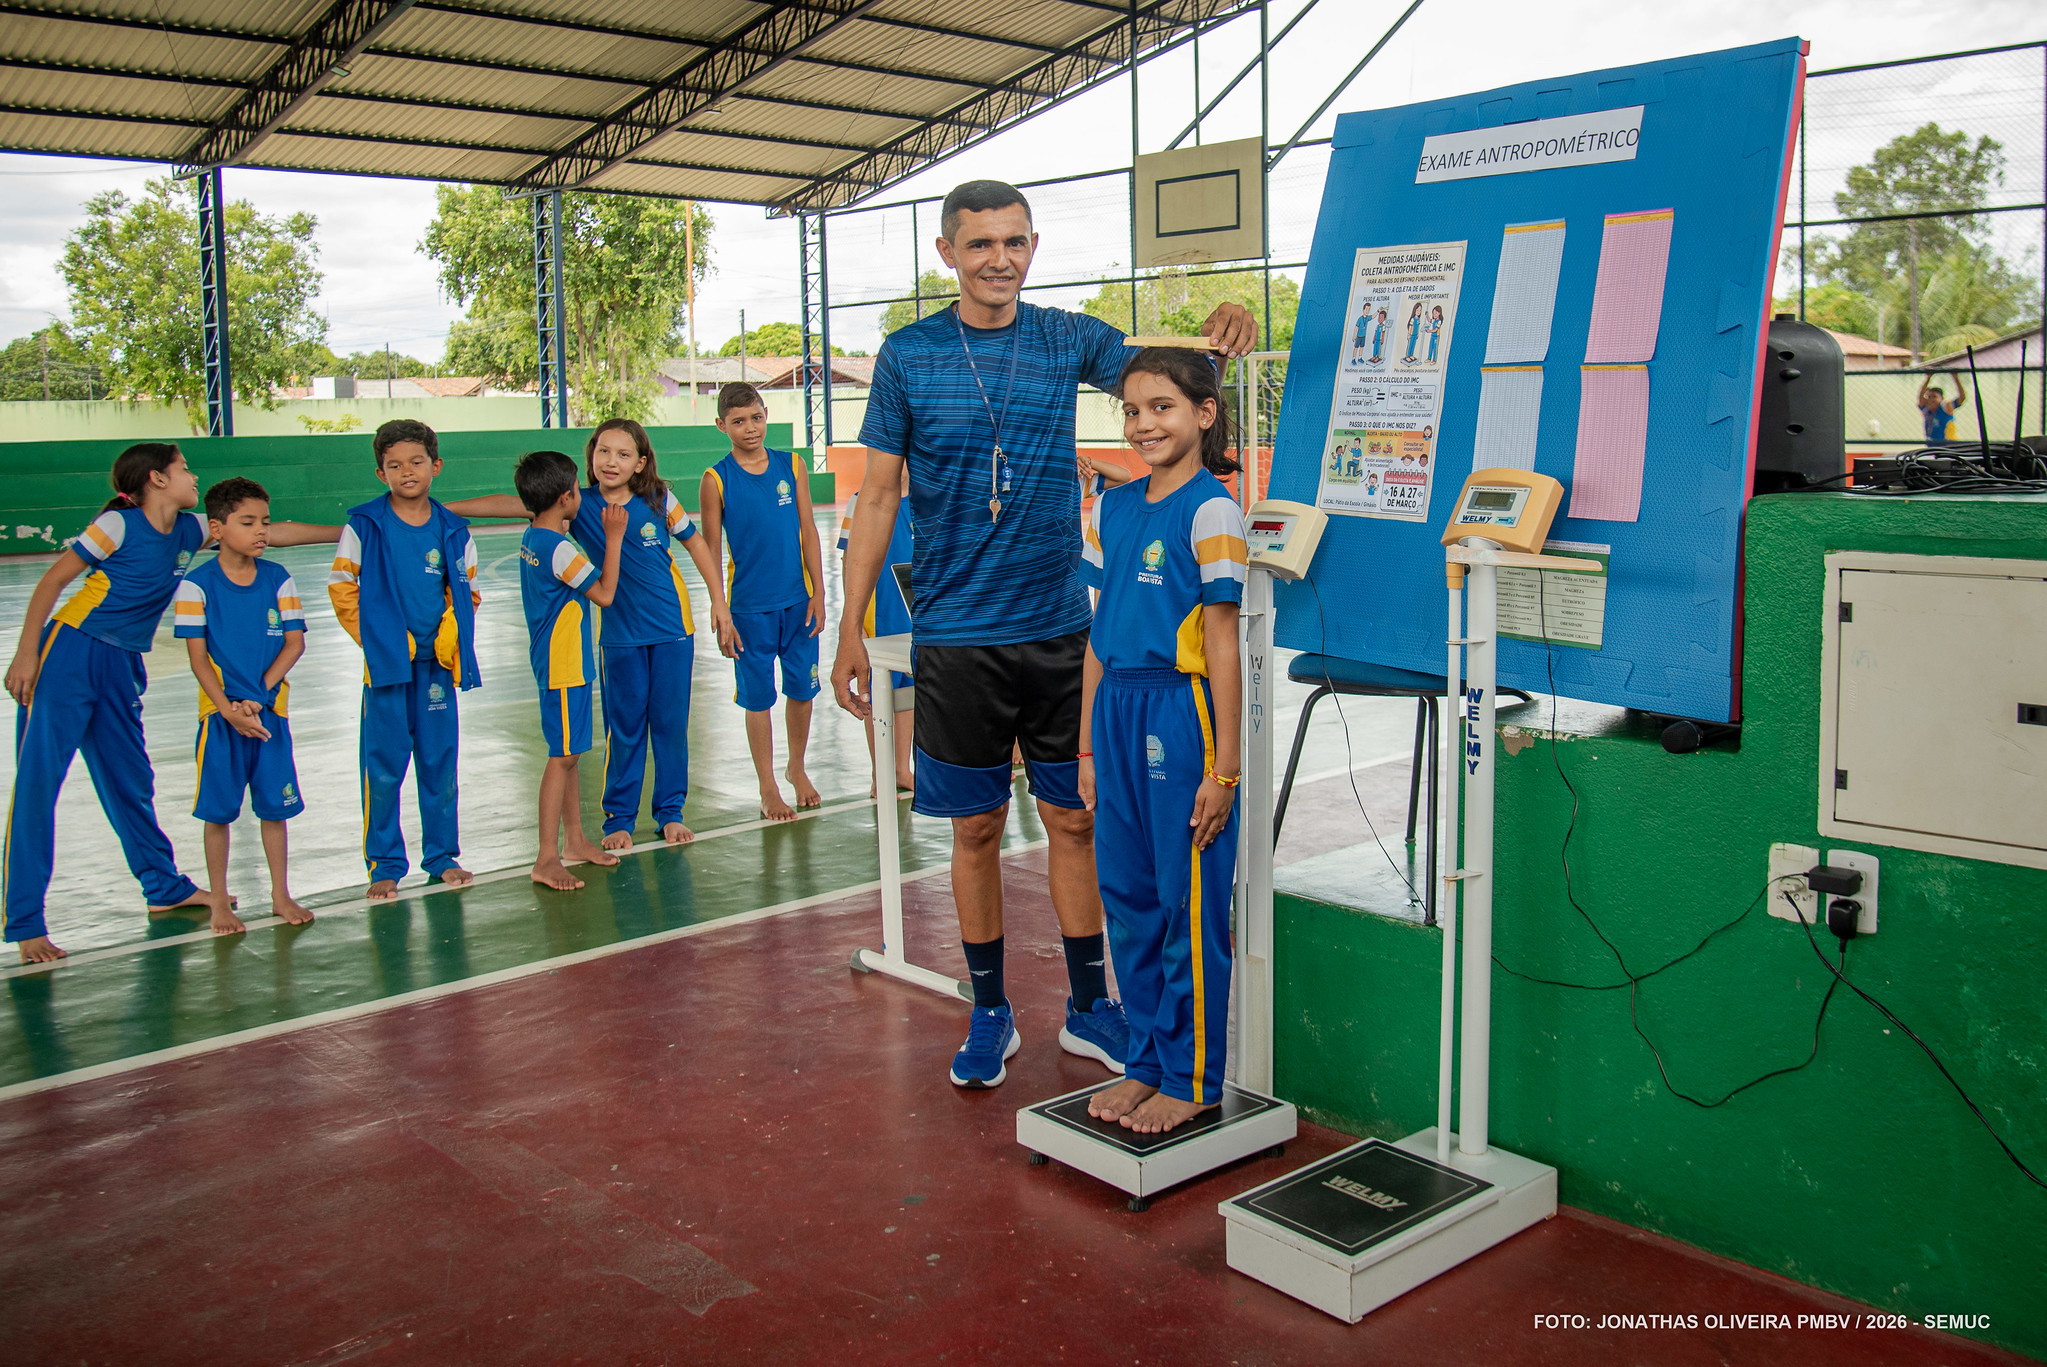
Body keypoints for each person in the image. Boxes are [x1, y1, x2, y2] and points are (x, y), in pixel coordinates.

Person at [831, 177, 1255, 1089]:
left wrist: (1217, 323)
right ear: (946, 252)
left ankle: (1089, 1004)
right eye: (979, 243)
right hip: (955, 634)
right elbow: (875, 496)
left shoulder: (1066, 337)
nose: (999, 259)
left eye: (1014, 241)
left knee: (1074, 818)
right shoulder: (908, 355)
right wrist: (849, 626)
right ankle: (988, 1011)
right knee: (975, 830)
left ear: (1032, 245)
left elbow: (1161, 374)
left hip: (1061, 629)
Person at [3, 444, 335, 962]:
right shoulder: (119, 525)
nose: (193, 476)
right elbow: (53, 581)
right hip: (68, 653)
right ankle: (25, 922)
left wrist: (351, 532)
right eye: (184, 469)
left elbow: (275, 533)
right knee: (39, 785)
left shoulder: (189, 529)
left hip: (121, 665)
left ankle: (163, 888)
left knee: (130, 782)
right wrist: (27, 655)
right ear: (157, 479)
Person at [1079, 347, 1247, 1133]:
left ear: (1203, 415)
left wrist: (1227, 767)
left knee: (1188, 905)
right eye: (1133, 409)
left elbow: (1222, 643)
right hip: (1114, 708)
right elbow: (1096, 636)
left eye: (1162, 408)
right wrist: (1083, 748)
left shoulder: (1212, 510)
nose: (1144, 423)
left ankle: (1193, 1075)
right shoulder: (1114, 507)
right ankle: (1145, 1060)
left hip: (1180, 714)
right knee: (1131, 898)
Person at [449, 419, 728, 847]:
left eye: (622, 454)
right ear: (591, 457)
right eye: (603, 451)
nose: (610, 461)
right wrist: (446, 509)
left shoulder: (659, 499)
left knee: (670, 726)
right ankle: (618, 818)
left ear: (640, 463)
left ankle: (670, 812)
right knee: (626, 727)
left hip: (674, 630)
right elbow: (516, 503)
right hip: (619, 637)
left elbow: (695, 545)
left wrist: (719, 602)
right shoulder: (577, 503)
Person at [328, 419, 481, 900]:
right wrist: (383, 644)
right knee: (383, 765)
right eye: (394, 465)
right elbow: (342, 588)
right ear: (381, 474)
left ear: (435, 466)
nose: (406, 472)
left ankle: (441, 856)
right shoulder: (365, 525)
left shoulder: (453, 530)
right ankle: (385, 863)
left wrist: (443, 642)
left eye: (416, 462)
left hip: (436, 667)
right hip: (388, 670)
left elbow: (468, 595)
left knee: (439, 761)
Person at [175, 477, 317, 936]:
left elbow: (293, 644)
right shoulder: (196, 586)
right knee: (218, 813)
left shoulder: (279, 578)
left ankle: (281, 893)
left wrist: (258, 698)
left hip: (269, 714)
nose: (261, 531)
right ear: (216, 528)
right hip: (219, 717)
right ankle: (219, 901)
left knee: (274, 809)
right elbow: (199, 660)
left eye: (266, 523)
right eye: (248, 522)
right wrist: (229, 707)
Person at [699, 382, 826, 822]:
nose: (749, 428)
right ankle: (768, 786)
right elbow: (710, 551)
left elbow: (808, 529)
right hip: (749, 609)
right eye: (738, 421)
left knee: (803, 690)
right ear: (721, 426)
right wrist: (720, 608)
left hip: (798, 603)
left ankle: (796, 766)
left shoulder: (793, 465)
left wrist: (820, 592)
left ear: (766, 414)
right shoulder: (716, 480)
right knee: (758, 700)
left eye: (756, 417)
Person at [514, 450, 627, 891]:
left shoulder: (533, 536)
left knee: (571, 752)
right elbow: (604, 594)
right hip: (563, 665)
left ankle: (575, 839)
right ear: (565, 497)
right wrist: (613, 537)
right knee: (560, 758)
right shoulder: (559, 548)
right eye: (578, 488)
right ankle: (546, 856)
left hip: (560, 660)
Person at [836, 466, 917, 796]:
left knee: (909, 694)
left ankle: (901, 770)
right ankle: (879, 772)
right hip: (878, 616)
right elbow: (848, 562)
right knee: (877, 694)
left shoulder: (927, 500)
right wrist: (853, 625)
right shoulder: (862, 502)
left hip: (915, 616)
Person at [1918, 372, 1966, 445]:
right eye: (1929, 397)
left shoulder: (1945, 407)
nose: (1931, 399)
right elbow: (1920, 397)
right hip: (1933, 446)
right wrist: (1928, 378)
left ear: (1941, 398)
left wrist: (1956, 378)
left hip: (1949, 445)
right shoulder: (1926, 409)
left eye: (1934, 397)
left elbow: (1961, 398)